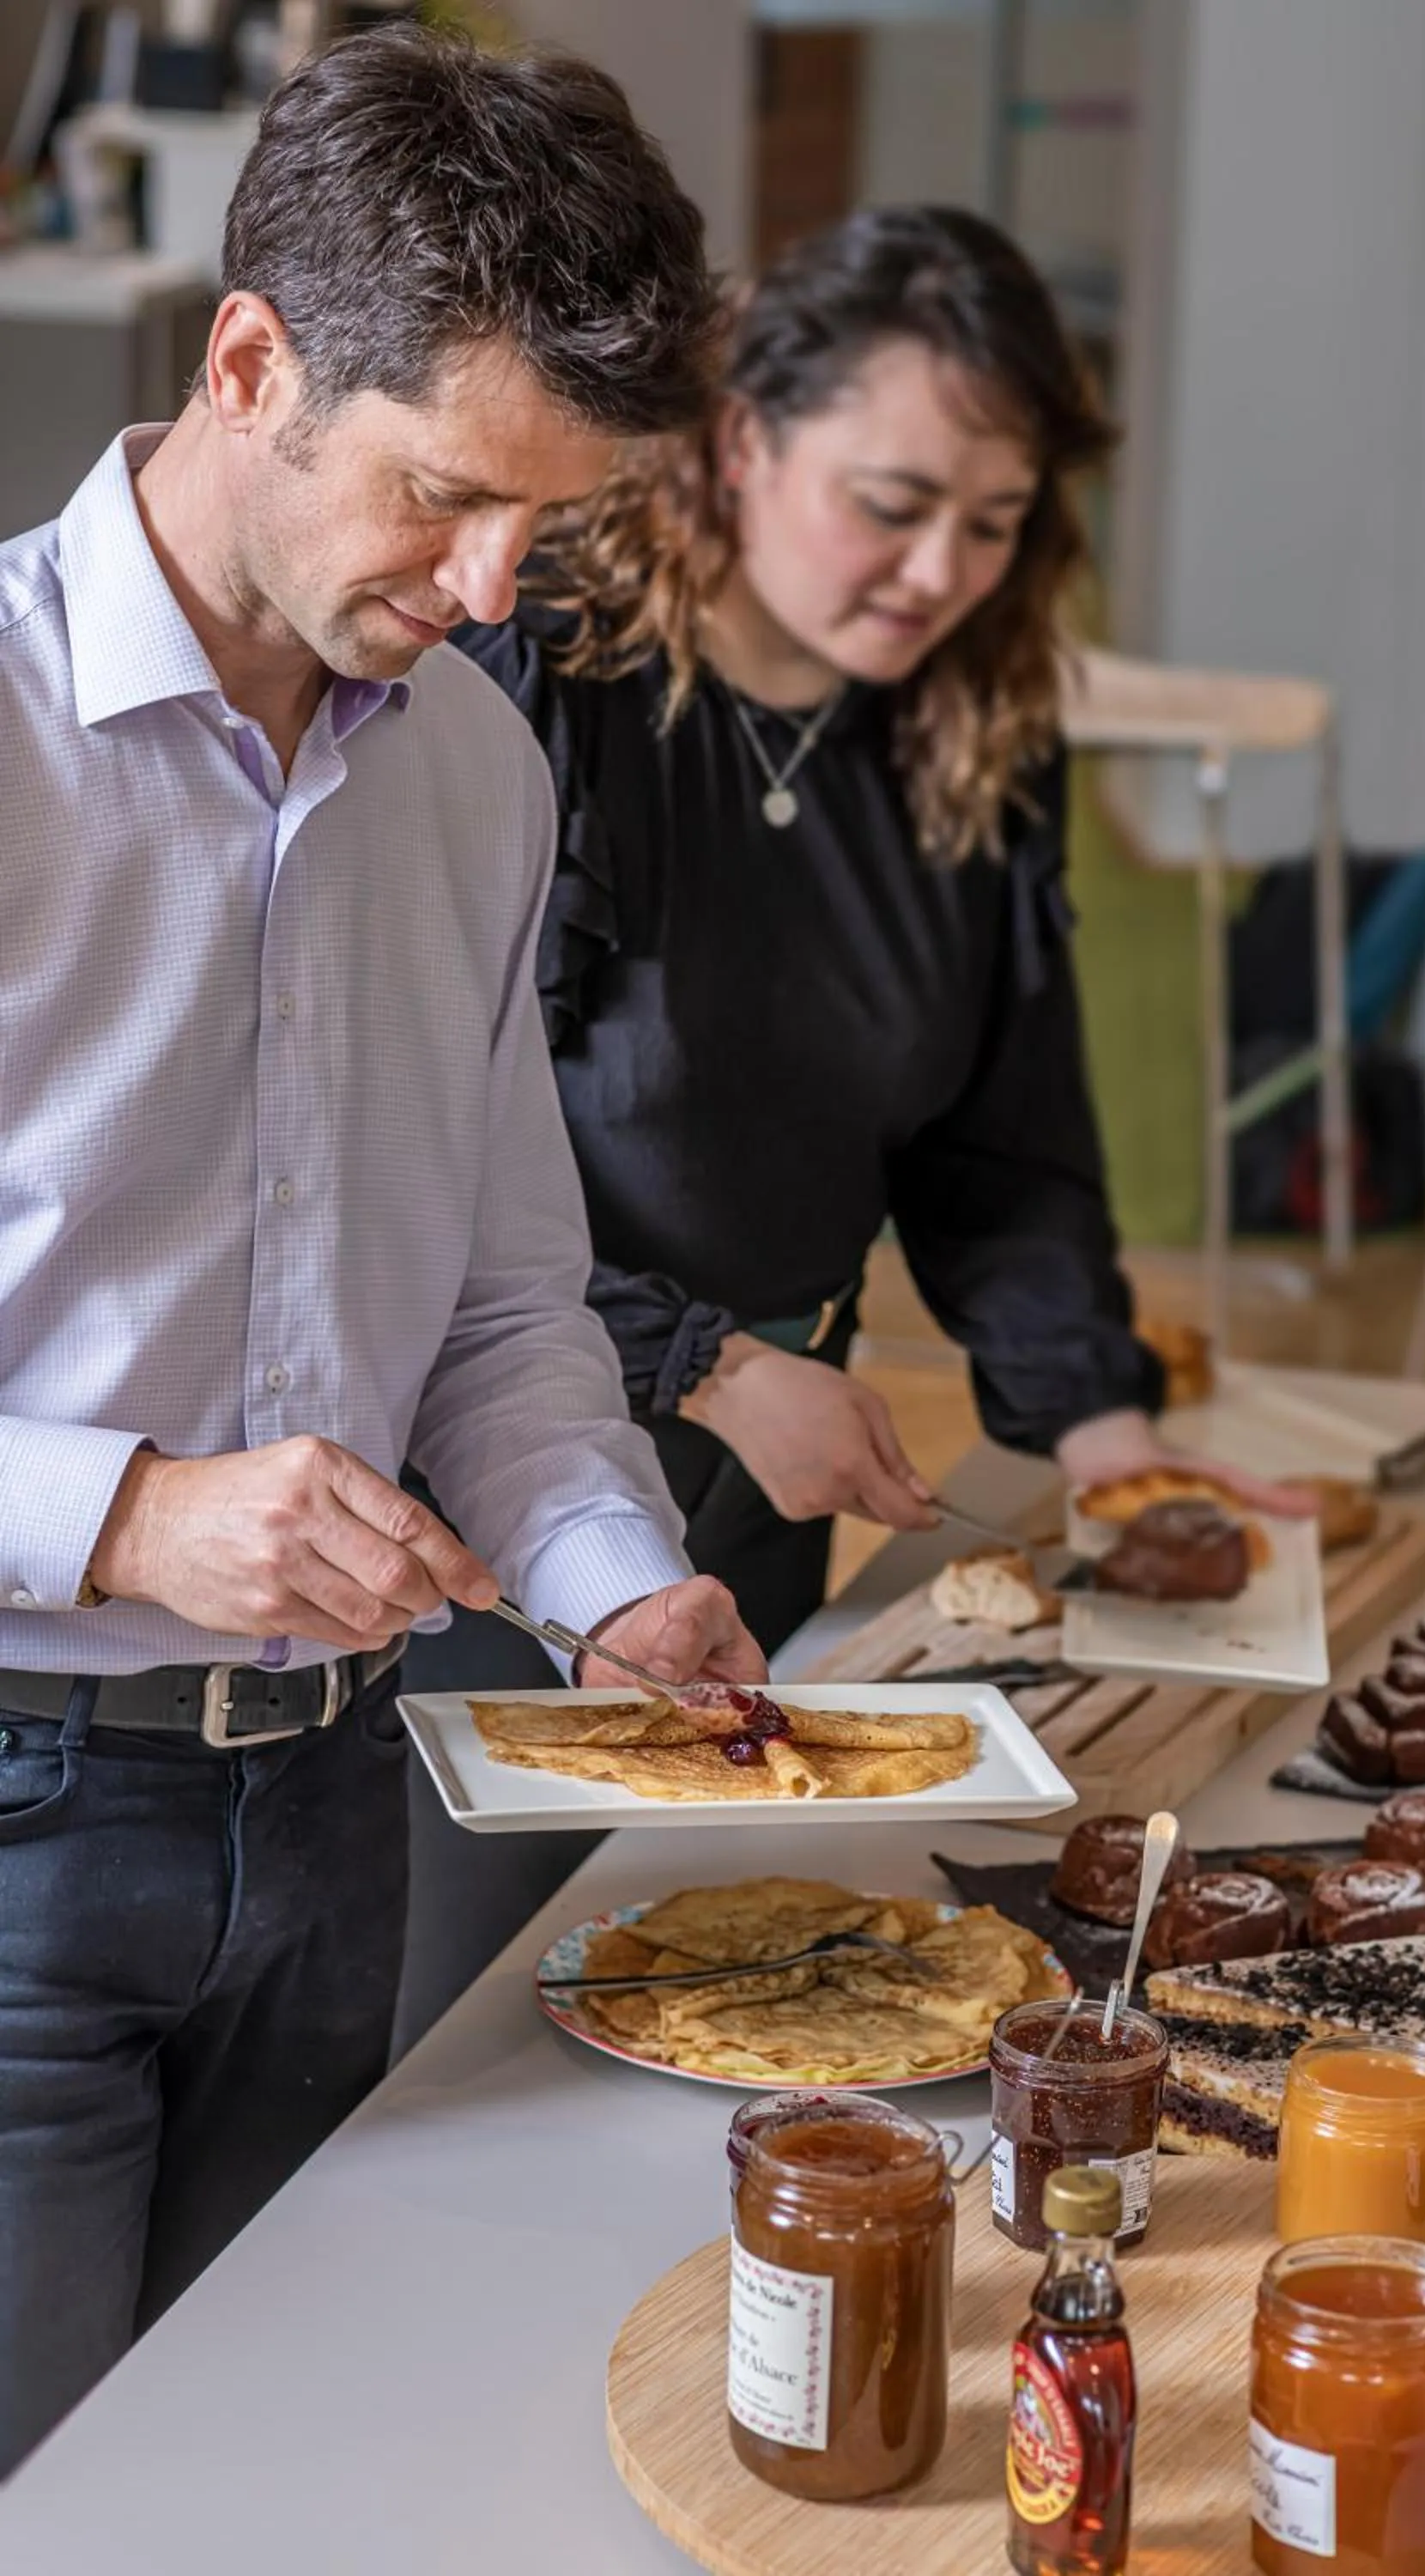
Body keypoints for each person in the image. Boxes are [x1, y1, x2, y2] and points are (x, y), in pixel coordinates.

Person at [0, 23, 765, 2477]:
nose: (489, 590)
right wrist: (129, 1517)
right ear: (251, 363)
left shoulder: (482, 770)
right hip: (19, 1818)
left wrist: (610, 1575)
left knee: (273, 2498)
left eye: (544, 528)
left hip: (347, 1822)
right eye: (444, 499)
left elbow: (508, 1307)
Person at [444, 204, 1303, 1673]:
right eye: (891, 506)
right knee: (492, 1903)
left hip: (782, 1445)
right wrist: (705, 1364)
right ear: (740, 443)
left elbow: (1002, 1142)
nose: (938, 575)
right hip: (495, 1455)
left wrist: (1107, 1434)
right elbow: (402, 1158)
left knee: (695, 1887)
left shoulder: (968, 725)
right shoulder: (530, 676)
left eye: (993, 523)